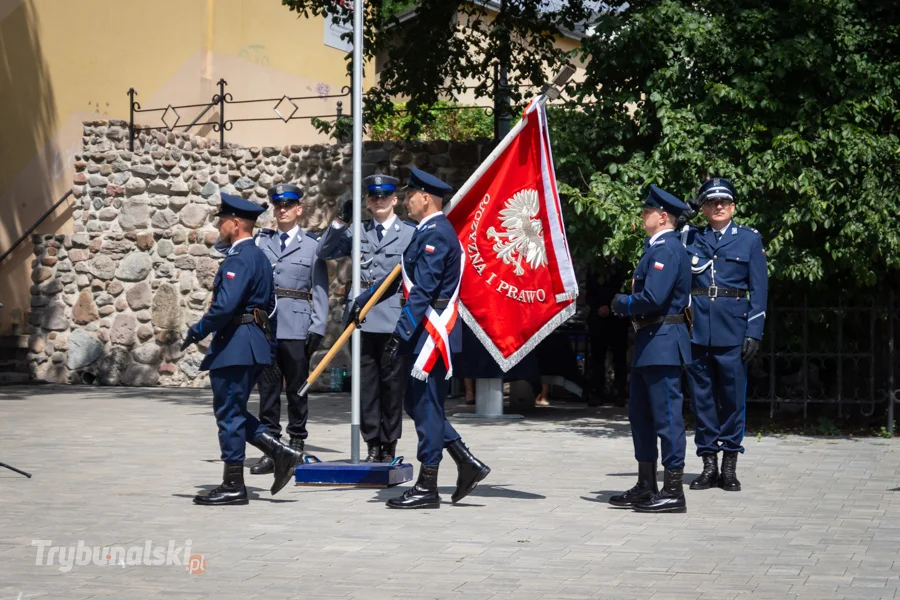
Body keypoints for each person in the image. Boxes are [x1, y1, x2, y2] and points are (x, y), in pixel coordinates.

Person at [352, 167, 490, 509]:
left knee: (426, 406)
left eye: (411, 194)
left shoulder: (435, 235)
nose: (407, 201)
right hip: (423, 328)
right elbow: (403, 279)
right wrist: (364, 300)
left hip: (430, 331)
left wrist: (399, 335)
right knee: (416, 404)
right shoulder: (427, 232)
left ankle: (428, 485)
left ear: (425, 197)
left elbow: (423, 291)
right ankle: (465, 461)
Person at [183, 193, 306, 506]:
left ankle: (234, 484)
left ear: (235, 223)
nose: (219, 226)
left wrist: (197, 330)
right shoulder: (260, 257)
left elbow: (225, 306)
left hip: (237, 342)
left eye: (222, 220)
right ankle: (280, 452)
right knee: (232, 409)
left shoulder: (240, 258)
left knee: (228, 414)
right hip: (250, 341)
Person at [316, 174, 416, 463]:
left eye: (384, 196)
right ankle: (372, 442)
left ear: (395, 200)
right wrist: (339, 222)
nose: (379, 200)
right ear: (368, 202)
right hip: (362, 318)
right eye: (373, 197)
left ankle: (389, 443)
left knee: (392, 384)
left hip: (393, 317)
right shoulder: (357, 231)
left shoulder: (409, 233)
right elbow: (324, 252)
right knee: (366, 385)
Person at [609, 185, 692, 513]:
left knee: (667, 418)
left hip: (664, 341)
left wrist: (622, 303)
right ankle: (647, 484)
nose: (643, 215)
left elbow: (654, 300)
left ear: (663, 217)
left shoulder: (666, 250)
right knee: (641, 417)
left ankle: (673, 491)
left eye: (648, 211)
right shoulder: (656, 248)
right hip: (650, 342)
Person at [685, 177, 768, 492]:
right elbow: (661, 236)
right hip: (697, 331)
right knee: (702, 399)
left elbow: (759, 291)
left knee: (733, 399)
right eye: (711, 202)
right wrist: (686, 212)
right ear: (704, 208)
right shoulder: (690, 236)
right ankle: (708, 464)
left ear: (733, 207)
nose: (718, 206)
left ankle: (730, 465)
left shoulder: (748, 240)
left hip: (733, 330)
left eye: (724, 202)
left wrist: (754, 331)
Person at [248, 183, 329, 476]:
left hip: (297, 327)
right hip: (267, 327)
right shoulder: (261, 243)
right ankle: (271, 448)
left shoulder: (313, 245)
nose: (282, 210)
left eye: (288, 205)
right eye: (278, 205)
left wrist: (318, 326)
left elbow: (320, 288)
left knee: (297, 391)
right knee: (268, 390)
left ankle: (296, 445)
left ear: (299, 209)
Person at [586, 263, 629, 406]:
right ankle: (597, 392)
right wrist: (598, 307)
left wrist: (612, 308)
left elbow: (625, 291)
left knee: (619, 357)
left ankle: (620, 393)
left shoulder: (623, 267)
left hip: (617, 320)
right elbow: (589, 293)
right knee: (597, 358)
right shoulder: (594, 267)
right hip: (598, 319)